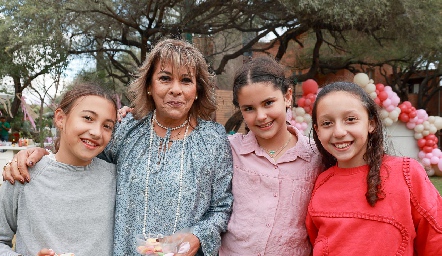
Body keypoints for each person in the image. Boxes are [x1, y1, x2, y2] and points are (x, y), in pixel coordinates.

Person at [2, 38, 234, 256]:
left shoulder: (212, 139)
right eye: (165, 78)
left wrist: (197, 237)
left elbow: (222, 206)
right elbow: (80, 158)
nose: (176, 89)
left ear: (197, 90)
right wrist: (40, 155)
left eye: (186, 80)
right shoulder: (126, 128)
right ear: (149, 86)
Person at [306, 81, 442, 255]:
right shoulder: (321, 182)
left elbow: (435, 240)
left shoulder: (406, 173)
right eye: (327, 123)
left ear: (371, 123)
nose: (338, 132)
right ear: (317, 130)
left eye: (350, 119)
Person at [218, 56, 323, 255]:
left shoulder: (316, 156)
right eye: (249, 108)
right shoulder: (229, 150)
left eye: (268, 103)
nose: (260, 116)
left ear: (287, 96)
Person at [0, 83, 118, 256]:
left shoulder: (115, 179)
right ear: (60, 118)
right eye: (88, 118)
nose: (97, 132)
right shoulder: (23, 174)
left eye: (107, 126)